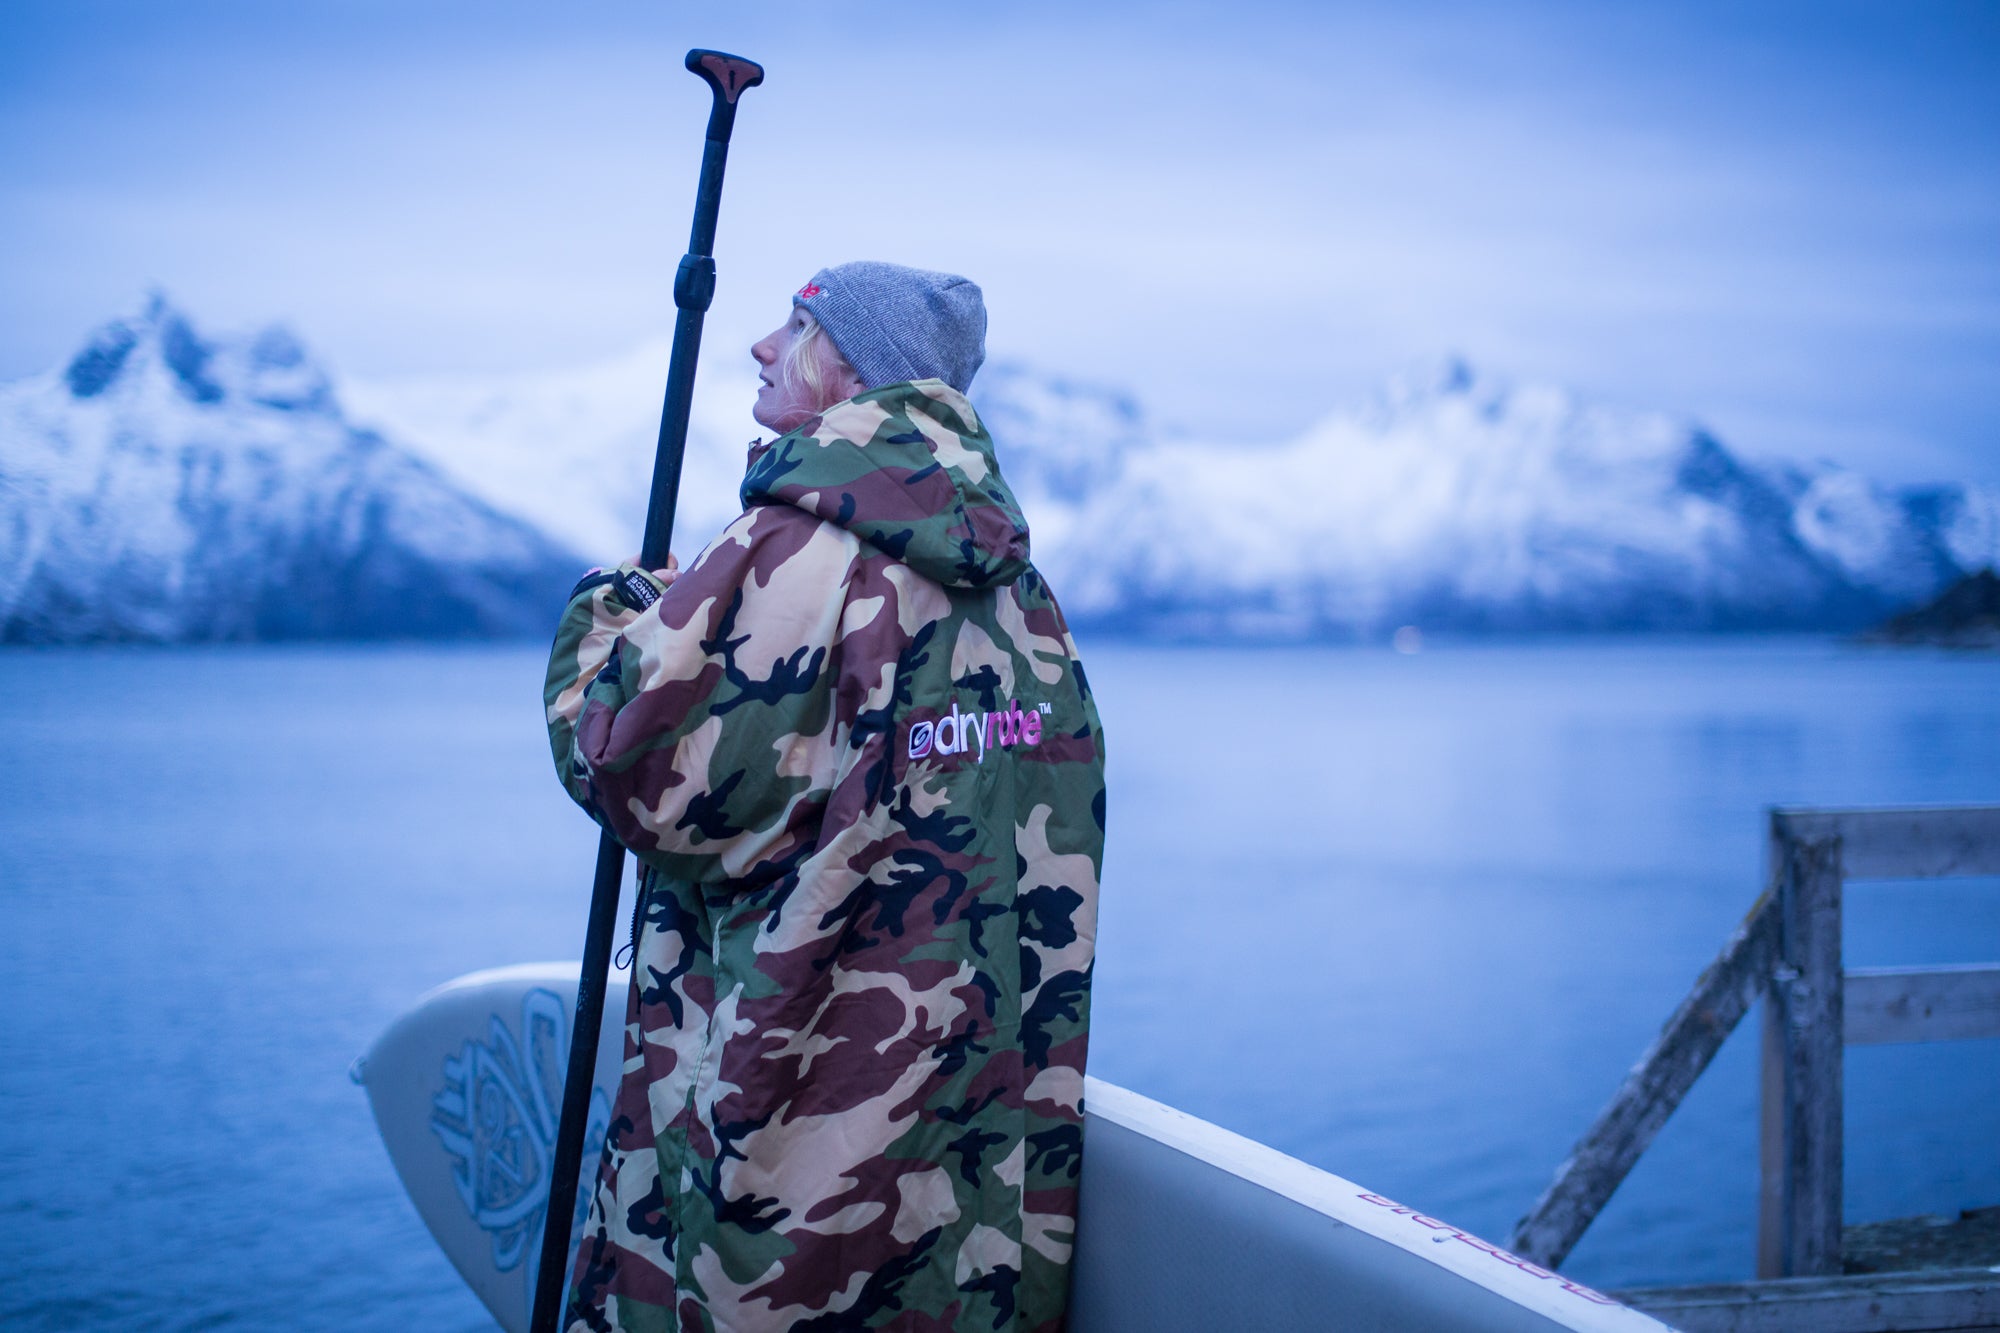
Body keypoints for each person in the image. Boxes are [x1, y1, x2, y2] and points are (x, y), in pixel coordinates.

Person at [543, 261, 1107, 1332]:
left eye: (792, 326)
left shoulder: (794, 546)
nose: (760, 347)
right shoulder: (1021, 595)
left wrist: (610, 618)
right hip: (973, 1177)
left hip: (780, 1158)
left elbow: (629, 764)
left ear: (849, 365)